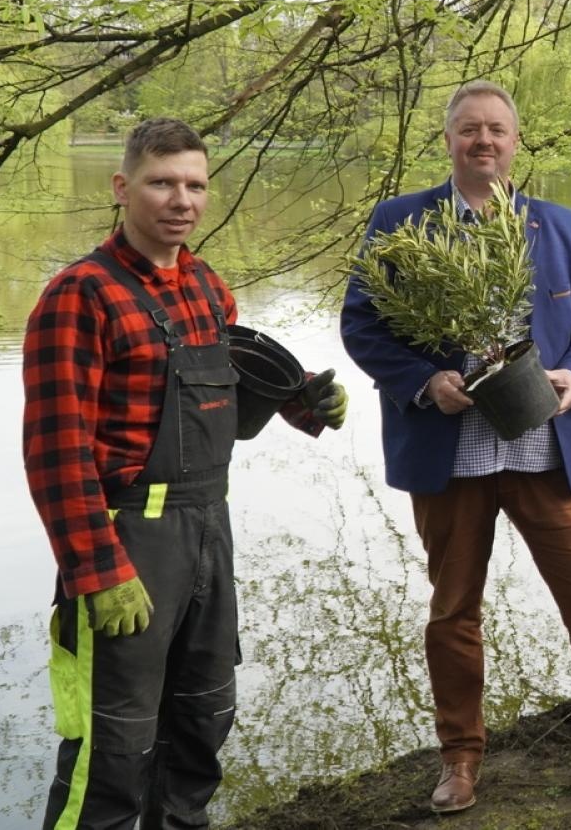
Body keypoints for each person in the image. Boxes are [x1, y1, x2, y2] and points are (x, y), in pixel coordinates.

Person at [340, 80, 571, 813]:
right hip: (451, 454)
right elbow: (361, 324)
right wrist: (423, 380)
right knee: (453, 611)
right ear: (449, 139)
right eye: (469, 128)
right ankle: (460, 757)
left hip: (546, 451)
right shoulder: (400, 222)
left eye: (496, 129)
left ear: (515, 141)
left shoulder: (561, 226)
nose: (484, 141)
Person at [24, 118, 347, 830]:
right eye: (162, 183)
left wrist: (304, 403)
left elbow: (229, 396)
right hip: (126, 540)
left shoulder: (206, 287)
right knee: (112, 748)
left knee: (201, 721)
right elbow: (55, 451)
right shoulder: (80, 295)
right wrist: (96, 570)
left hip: (208, 527)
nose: (181, 200)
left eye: (195, 185)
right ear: (122, 188)